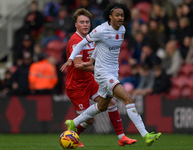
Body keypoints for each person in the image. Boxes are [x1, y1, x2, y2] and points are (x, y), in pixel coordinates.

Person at [61, 2, 162, 147]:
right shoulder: (99, 31)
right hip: (95, 77)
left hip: (106, 74)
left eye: (122, 15)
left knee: (104, 106)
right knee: (128, 99)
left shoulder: (122, 30)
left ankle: (74, 123)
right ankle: (146, 135)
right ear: (110, 16)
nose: (120, 17)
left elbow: (100, 47)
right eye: (117, 15)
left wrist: (91, 61)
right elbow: (81, 47)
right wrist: (71, 60)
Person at [64, 8, 136, 147]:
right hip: (77, 86)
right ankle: (72, 136)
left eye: (87, 22)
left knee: (111, 103)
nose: (85, 25)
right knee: (89, 120)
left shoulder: (92, 37)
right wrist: (102, 70)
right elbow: (78, 65)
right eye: (82, 22)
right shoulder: (75, 40)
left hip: (90, 80)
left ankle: (121, 137)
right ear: (76, 25)